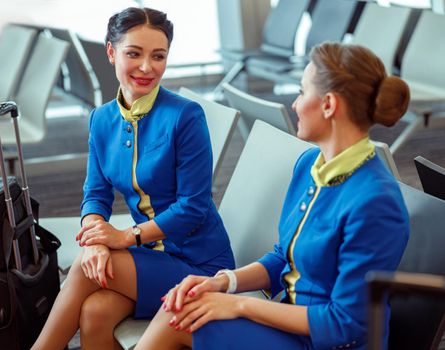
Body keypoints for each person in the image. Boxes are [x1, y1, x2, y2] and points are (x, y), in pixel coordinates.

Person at [135, 42, 411, 350]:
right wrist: (223, 282)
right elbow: (284, 257)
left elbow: (344, 325)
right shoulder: (310, 164)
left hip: (326, 342)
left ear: (329, 104)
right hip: (288, 320)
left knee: (176, 317)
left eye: (302, 92)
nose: (294, 104)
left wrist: (239, 305)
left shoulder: (376, 202)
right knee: (180, 308)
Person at [31, 7, 234, 350]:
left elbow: (194, 207)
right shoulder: (102, 119)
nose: (146, 67)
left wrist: (124, 237)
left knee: (83, 268)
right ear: (111, 52)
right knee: (95, 312)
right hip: (148, 256)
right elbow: (96, 193)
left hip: (198, 263)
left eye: (158, 56)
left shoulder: (185, 116)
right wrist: (96, 238)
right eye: (133, 54)